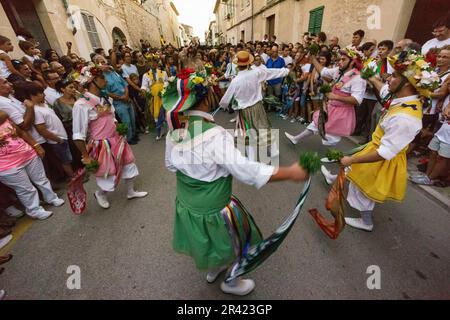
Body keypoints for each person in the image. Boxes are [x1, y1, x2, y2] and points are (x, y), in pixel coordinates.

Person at [163, 69, 309, 296]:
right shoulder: (214, 134)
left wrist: (197, 170)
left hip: (188, 204)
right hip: (216, 208)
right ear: (206, 98)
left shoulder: (175, 129)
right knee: (236, 240)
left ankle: (215, 266)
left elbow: (171, 165)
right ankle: (231, 281)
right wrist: (290, 172)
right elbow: (247, 171)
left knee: (209, 240)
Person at [322, 50, 440, 232]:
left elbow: (385, 153)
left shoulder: (405, 118)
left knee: (362, 190)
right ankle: (335, 177)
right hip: (376, 147)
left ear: (407, 83)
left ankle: (366, 222)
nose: (388, 79)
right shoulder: (405, 97)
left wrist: (351, 159)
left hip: (381, 157)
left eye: (393, 76)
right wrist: (370, 76)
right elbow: (382, 88)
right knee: (355, 175)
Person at [72, 65, 148, 209]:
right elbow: (78, 134)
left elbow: (112, 118)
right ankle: (101, 193)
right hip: (101, 144)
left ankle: (131, 191)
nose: (106, 81)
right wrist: (86, 156)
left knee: (129, 164)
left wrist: (119, 127)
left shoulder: (105, 98)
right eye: (102, 78)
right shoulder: (81, 104)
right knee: (107, 173)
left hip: (117, 139)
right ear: (92, 81)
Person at [285, 47, 366, 146]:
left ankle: (336, 156)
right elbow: (323, 71)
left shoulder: (358, 78)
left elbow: (357, 100)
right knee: (316, 124)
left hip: (342, 112)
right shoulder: (338, 71)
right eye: (340, 59)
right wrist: (313, 58)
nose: (340, 62)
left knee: (332, 136)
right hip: (331, 107)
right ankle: (296, 139)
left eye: (343, 59)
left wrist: (335, 97)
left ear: (352, 62)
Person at [219, 51, 290, 162]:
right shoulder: (256, 73)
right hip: (257, 107)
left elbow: (225, 100)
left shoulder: (235, 81)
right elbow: (271, 73)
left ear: (237, 65)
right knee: (264, 128)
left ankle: (251, 159)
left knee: (247, 133)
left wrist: (223, 105)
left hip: (244, 111)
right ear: (248, 63)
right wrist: (285, 71)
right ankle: (273, 151)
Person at [0, 109, 64, 220]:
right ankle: (34, 210)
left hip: (28, 154)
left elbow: (22, 132)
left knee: (41, 179)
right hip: (7, 165)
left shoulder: (5, 119)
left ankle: (51, 198)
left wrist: (36, 145)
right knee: (26, 189)